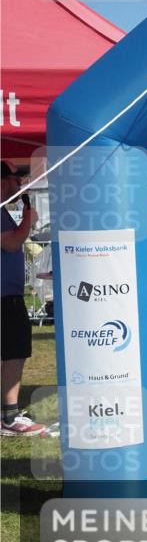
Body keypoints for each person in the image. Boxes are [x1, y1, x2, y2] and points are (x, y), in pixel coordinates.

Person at [1, 161, 45, 436]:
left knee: (13, 352)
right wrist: (29, 215)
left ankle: (7, 415)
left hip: (9, 295)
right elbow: (11, 243)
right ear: (3, 180)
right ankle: (9, 417)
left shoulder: (4, 211)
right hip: (5, 297)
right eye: (17, 179)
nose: (21, 184)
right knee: (14, 353)